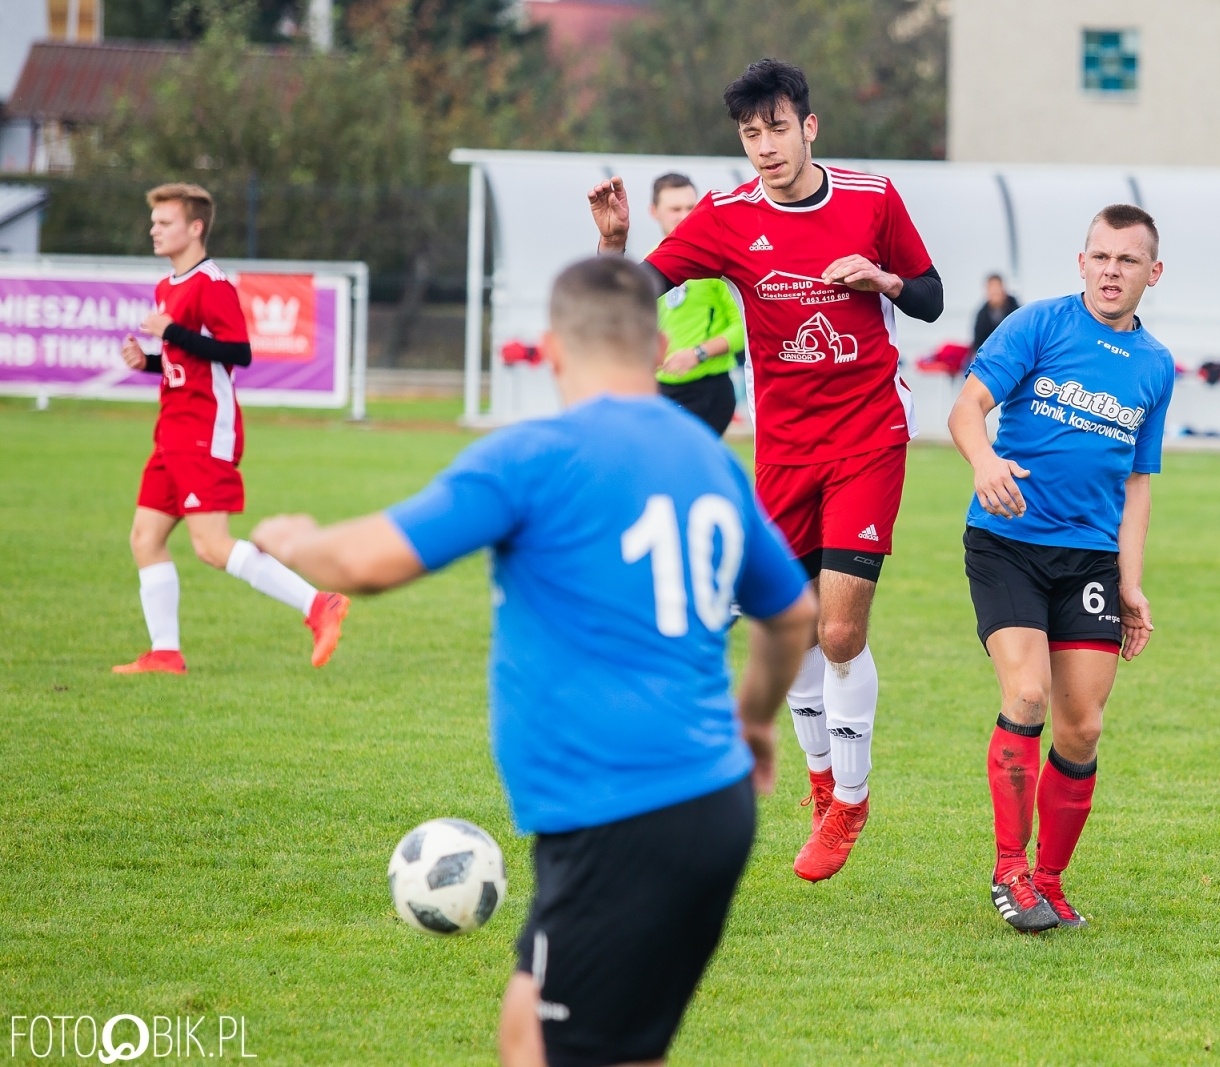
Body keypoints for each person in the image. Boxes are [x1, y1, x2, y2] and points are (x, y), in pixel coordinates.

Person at [249, 257, 817, 1067]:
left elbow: (374, 561)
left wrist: (292, 541)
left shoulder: (535, 454)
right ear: (657, 345)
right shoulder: (711, 463)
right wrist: (755, 718)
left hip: (621, 810)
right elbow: (791, 612)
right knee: (535, 1028)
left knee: (567, 1048)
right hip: (706, 801)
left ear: (551, 349)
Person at [586, 58, 944, 882]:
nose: (766, 146)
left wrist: (881, 276)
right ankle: (823, 781)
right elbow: (637, 289)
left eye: (778, 128)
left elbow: (926, 295)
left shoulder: (871, 199)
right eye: (751, 134)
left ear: (809, 126)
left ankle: (851, 803)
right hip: (784, 448)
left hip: (868, 435)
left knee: (839, 630)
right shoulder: (725, 216)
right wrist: (613, 244)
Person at [948, 204, 1174, 933]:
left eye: (1127, 260)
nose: (1112, 271)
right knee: (1028, 692)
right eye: (1100, 256)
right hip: (1007, 541)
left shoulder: (1156, 366)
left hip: (1091, 560)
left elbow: (1138, 485)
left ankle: (1049, 879)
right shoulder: (1039, 324)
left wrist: (1131, 582)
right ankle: (1010, 869)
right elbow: (967, 408)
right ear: (1082, 263)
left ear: (1153, 273)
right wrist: (984, 462)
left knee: (1081, 728)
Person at [113, 182, 348, 675]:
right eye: (153, 222)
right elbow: (188, 360)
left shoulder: (212, 284)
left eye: (165, 222)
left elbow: (237, 353)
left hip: (203, 429)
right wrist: (150, 362)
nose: (154, 230)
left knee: (211, 546)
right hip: (171, 430)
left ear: (195, 228)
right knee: (145, 537)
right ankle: (165, 653)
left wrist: (170, 334)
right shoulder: (167, 287)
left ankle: (318, 604)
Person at [649, 172, 746, 435]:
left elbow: (744, 330)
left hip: (708, 390)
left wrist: (698, 353)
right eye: (675, 209)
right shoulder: (650, 268)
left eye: (691, 208)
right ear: (654, 211)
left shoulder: (715, 266)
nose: (683, 216)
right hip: (661, 391)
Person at [971, 273, 1020, 355]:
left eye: (997, 287)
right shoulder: (982, 315)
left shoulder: (1016, 311)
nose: (995, 292)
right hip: (989, 355)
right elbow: (977, 342)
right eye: (992, 288)